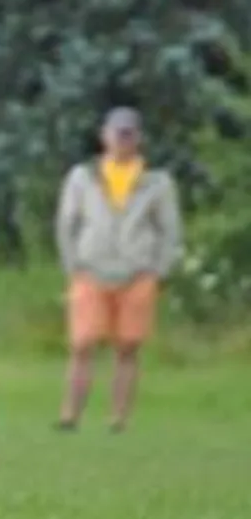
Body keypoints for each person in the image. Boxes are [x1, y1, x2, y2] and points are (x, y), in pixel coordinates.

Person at [55, 107, 182, 433]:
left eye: (129, 134)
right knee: (82, 345)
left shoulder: (157, 182)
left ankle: (118, 418)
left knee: (127, 348)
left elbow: (169, 230)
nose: (122, 140)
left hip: (137, 274)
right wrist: (74, 266)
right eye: (117, 133)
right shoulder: (83, 177)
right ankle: (70, 415)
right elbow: (67, 224)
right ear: (104, 136)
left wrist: (157, 270)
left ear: (138, 138)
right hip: (90, 271)